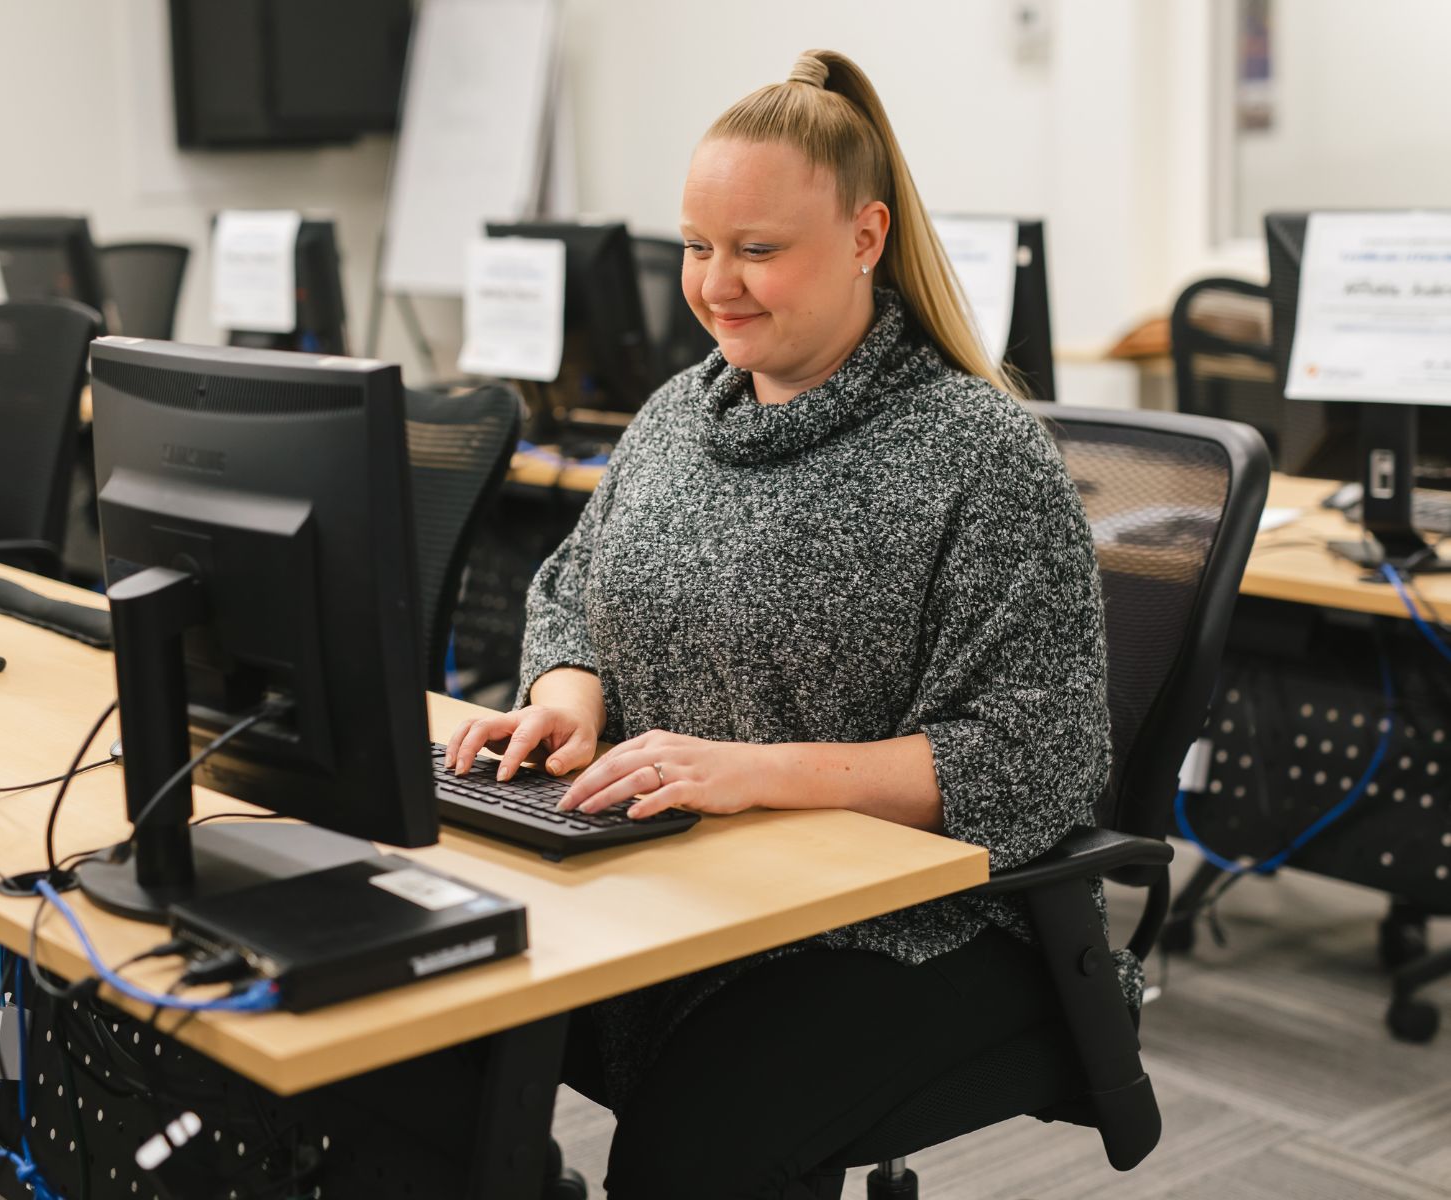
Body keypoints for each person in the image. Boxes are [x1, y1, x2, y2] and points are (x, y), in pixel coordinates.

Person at [445, 48, 1118, 1200]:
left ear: (865, 238)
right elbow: (571, 587)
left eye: (758, 251)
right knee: (415, 1032)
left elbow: (1035, 759)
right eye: (699, 248)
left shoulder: (977, 454)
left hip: (923, 922)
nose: (717, 286)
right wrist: (565, 697)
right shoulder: (676, 414)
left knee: (691, 1157)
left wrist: (755, 774)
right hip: (688, 876)